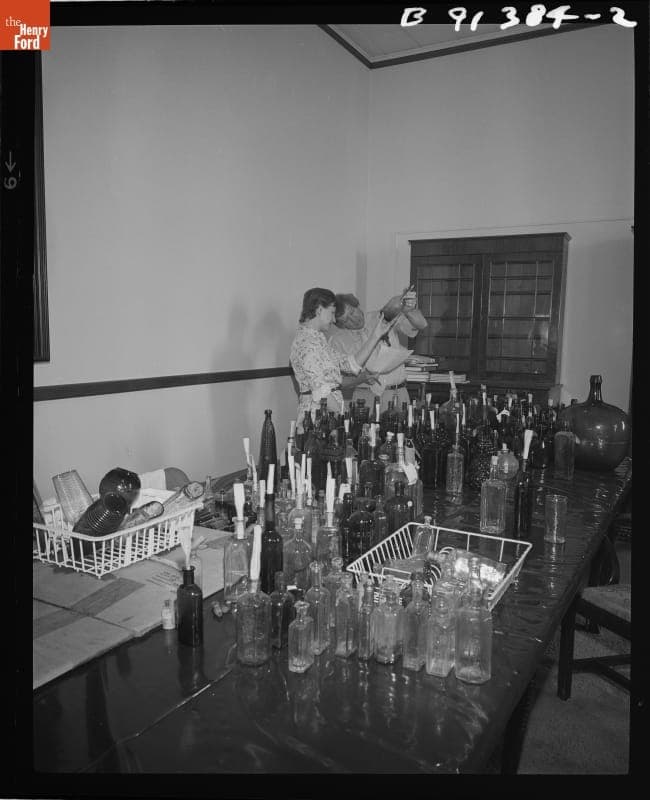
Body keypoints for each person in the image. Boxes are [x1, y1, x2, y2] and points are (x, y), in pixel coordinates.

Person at [289, 288, 390, 432]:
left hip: (329, 416)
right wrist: (344, 416)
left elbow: (349, 364)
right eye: (331, 313)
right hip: (316, 421)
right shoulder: (306, 343)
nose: (334, 319)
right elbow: (322, 392)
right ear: (319, 310)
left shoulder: (317, 338)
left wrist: (375, 336)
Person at [330, 289, 427, 412]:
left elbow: (421, 325)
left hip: (398, 392)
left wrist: (410, 311)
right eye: (346, 320)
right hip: (365, 397)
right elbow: (335, 381)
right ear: (340, 325)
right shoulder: (338, 341)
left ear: (357, 305)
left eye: (352, 312)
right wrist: (361, 378)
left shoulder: (381, 317)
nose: (354, 320)